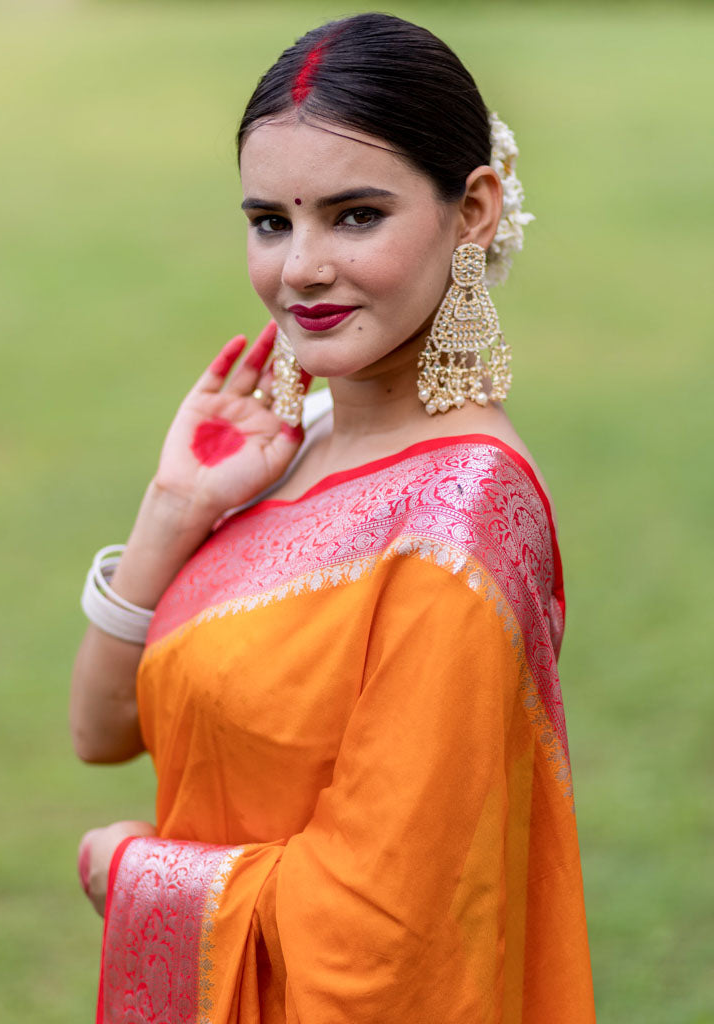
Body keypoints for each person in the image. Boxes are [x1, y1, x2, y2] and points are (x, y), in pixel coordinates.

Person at [70, 13, 595, 1023]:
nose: (300, 269)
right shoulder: (293, 441)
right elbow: (100, 729)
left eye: (355, 216)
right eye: (271, 221)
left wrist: (136, 870)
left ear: (474, 210)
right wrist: (174, 508)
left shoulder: (461, 518)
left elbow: (384, 933)